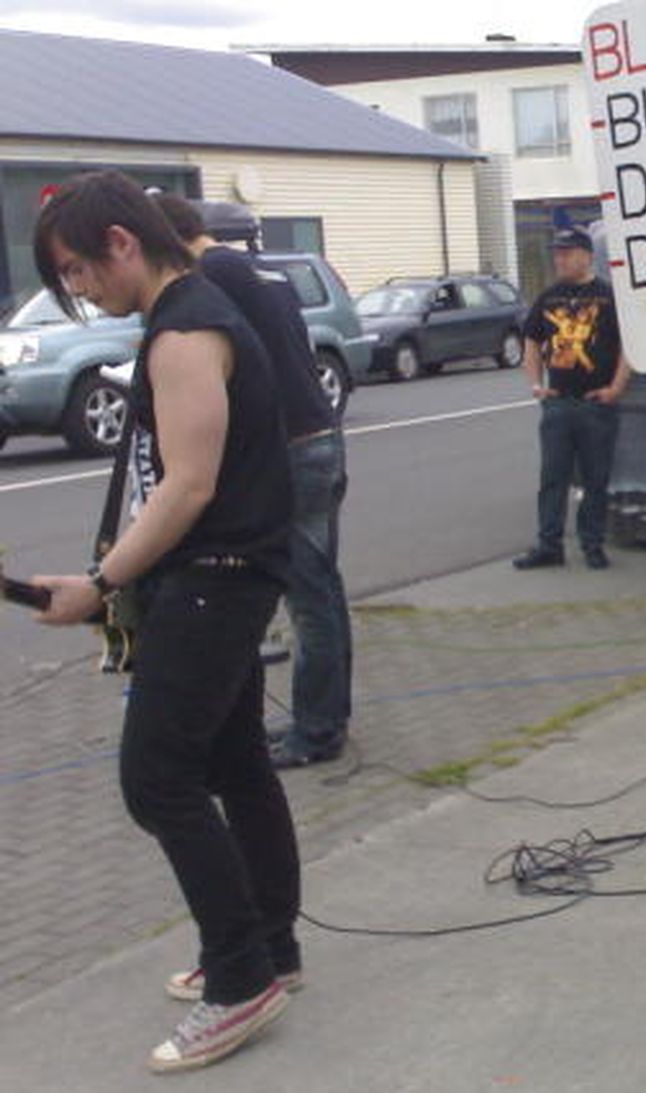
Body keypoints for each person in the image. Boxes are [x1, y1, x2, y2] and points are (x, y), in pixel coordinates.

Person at [28, 170, 300, 1072]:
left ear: (120, 242)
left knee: (157, 779)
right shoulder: (192, 311)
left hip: (214, 580)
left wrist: (102, 582)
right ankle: (272, 950)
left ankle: (239, 979)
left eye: (76, 270)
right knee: (234, 761)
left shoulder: (185, 330)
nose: (78, 290)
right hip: (224, 573)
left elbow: (189, 483)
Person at [152, 194, 353, 769]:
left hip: (290, 448)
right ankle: (327, 714)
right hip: (318, 435)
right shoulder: (263, 271)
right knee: (322, 590)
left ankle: (317, 731)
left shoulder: (210, 278)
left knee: (307, 597)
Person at [513, 226, 631, 571]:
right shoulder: (549, 297)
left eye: (566, 253)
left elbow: (629, 345)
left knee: (596, 478)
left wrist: (616, 388)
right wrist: (536, 385)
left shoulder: (607, 297)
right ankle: (548, 544)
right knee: (553, 477)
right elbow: (531, 341)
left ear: (586, 255)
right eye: (556, 253)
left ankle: (592, 543)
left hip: (597, 403)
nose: (559, 259)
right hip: (559, 402)